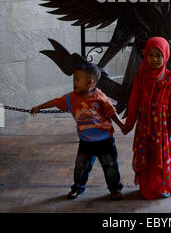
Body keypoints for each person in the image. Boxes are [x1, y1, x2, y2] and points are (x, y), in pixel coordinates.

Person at [31, 62, 125, 201]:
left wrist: (121, 125)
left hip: (105, 141)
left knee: (110, 166)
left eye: (77, 79)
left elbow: (111, 112)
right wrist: (39, 107)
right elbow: (55, 102)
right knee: (81, 167)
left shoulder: (100, 97)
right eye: (74, 78)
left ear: (89, 83)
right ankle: (77, 188)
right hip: (86, 142)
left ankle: (115, 189)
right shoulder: (71, 98)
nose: (74, 82)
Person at [122, 36, 171, 199]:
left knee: (162, 155)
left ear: (166, 56)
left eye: (159, 55)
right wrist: (129, 124)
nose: (154, 59)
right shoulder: (140, 76)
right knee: (147, 156)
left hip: (162, 127)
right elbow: (134, 101)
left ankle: (163, 186)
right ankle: (147, 187)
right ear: (145, 55)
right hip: (145, 125)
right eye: (151, 55)